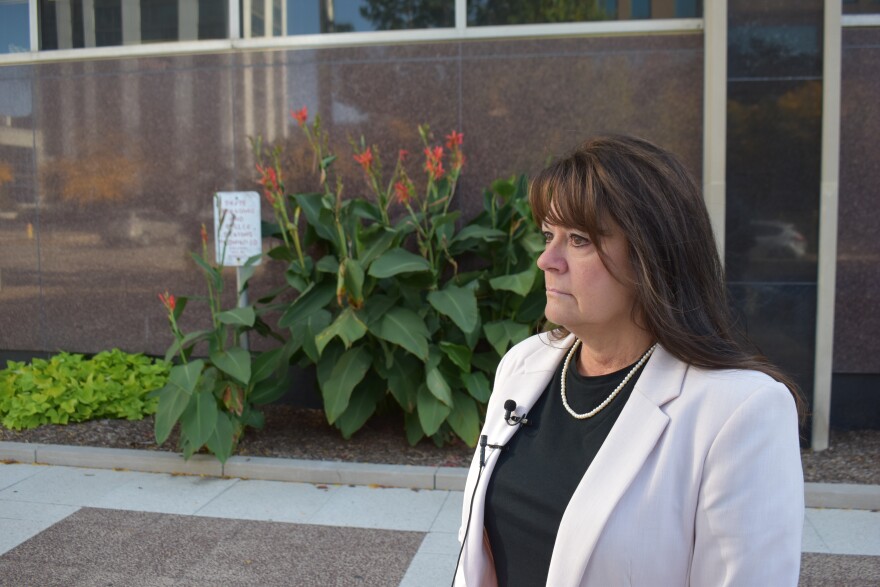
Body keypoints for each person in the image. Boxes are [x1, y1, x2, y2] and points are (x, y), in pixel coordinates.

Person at [454, 135, 805, 586]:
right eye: (548, 235)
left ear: (651, 256)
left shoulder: (740, 412)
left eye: (578, 240)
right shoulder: (523, 366)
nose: (546, 259)